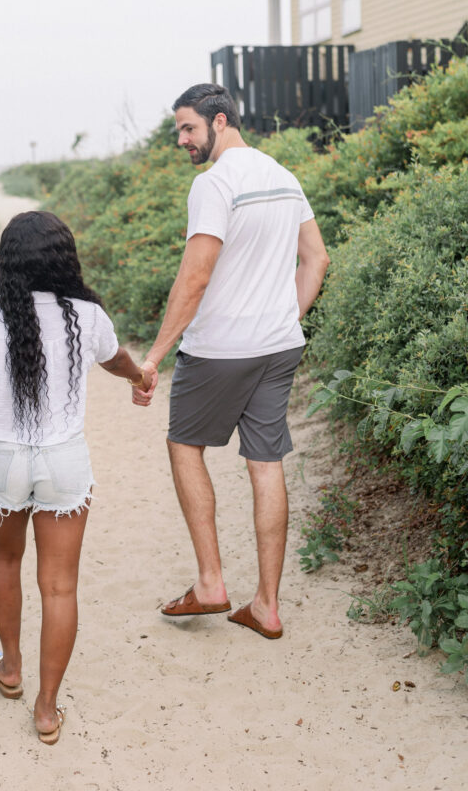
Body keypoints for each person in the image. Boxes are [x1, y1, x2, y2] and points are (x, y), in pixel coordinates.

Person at [134, 83, 329, 639]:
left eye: (188, 128)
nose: (182, 140)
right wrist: (282, 318)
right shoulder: (284, 176)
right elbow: (316, 260)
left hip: (220, 349)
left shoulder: (214, 184)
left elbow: (195, 278)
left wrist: (152, 357)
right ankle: (266, 606)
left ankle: (211, 583)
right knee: (265, 464)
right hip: (278, 345)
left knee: (183, 445)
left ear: (220, 121)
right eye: (179, 130)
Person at [0, 211, 152, 745]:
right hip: (65, 463)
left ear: (8, 261)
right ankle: (45, 709)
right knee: (60, 586)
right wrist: (139, 378)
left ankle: (11, 668)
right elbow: (116, 360)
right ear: (64, 258)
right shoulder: (87, 316)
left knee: (2, 558)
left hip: (2, 460)